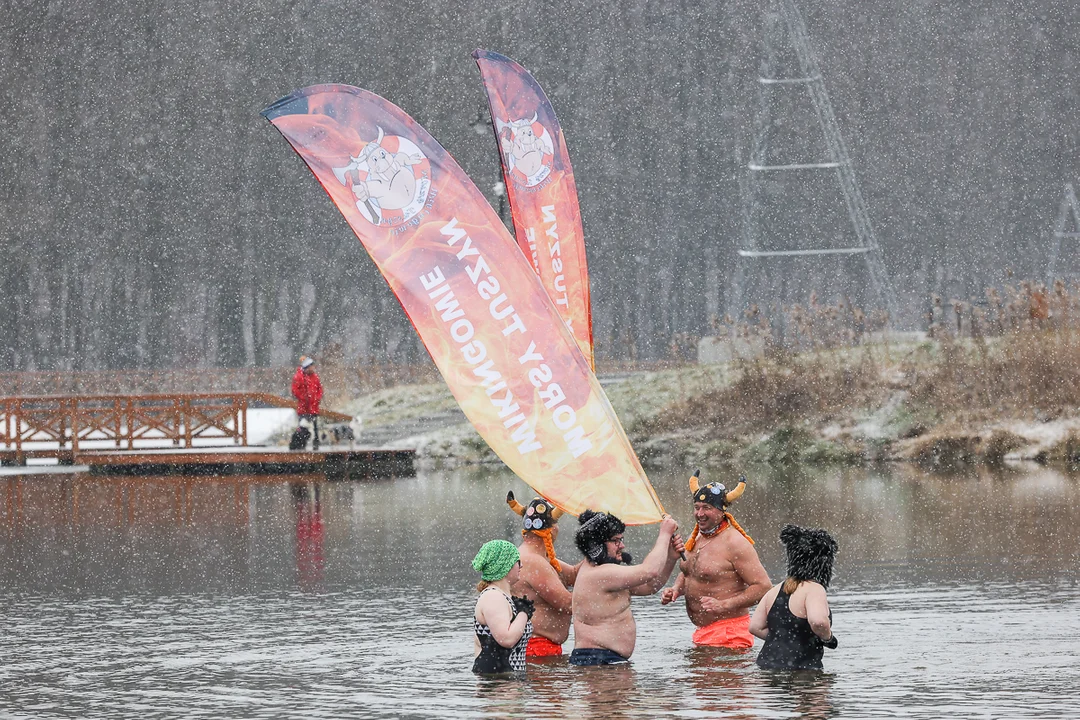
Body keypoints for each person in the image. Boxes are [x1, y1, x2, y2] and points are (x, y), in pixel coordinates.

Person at [661, 472, 771, 649]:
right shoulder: (696, 537)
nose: (700, 514)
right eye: (697, 507)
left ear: (721, 510)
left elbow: (764, 587)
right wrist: (675, 589)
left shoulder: (735, 543)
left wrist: (724, 605)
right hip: (704, 633)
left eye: (707, 508)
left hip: (730, 635)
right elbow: (690, 572)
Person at [569, 509, 683, 666]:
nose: (622, 545)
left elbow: (650, 586)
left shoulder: (606, 572)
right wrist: (664, 533)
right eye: (616, 540)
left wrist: (671, 557)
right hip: (597, 661)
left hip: (603, 660)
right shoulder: (599, 573)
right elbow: (650, 571)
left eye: (621, 539)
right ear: (596, 545)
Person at [750, 524, 839, 670]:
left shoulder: (776, 589)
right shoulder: (814, 589)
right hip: (802, 672)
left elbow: (755, 627)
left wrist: (781, 642)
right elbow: (818, 622)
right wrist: (828, 638)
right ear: (824, 563)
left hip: (766, 666)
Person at [505, 491, 582, 658]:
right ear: (552, 529)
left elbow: (575, 575)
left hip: (537, 649)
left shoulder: (537, 558)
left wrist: (597, 548)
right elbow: (568, 604)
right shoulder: (533, 562)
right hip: (537, 650)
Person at [471, 539, 534, 675]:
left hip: (508, 680)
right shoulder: (493, 597)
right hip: (497, 683)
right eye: (517, 562)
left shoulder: (501, 596)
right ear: (505, 566)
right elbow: (507, 639)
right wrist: (523, 613)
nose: (521, 566)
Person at [291, 355, 323, 450]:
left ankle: (315, 445)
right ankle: (300, 445)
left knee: (314, 428)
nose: (313, 368)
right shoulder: (298, 377)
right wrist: (303, 398)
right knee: (303, 429)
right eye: (312, 366)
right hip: (303, 408)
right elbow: (294, 390)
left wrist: (317, 398)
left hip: (313, 407)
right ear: (307, 367)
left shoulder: (315, 377)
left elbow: (320, 389)